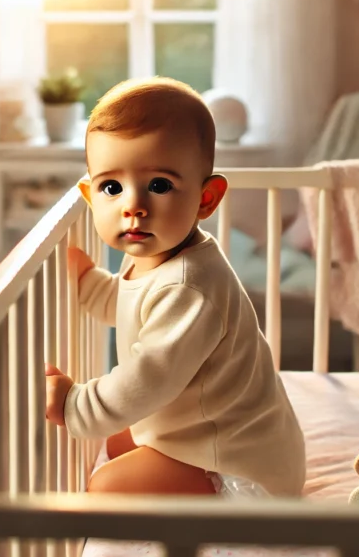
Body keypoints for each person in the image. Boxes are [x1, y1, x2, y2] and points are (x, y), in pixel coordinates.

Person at [44, 76, 306, 498]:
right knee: (113, 442)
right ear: (90, 196)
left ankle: (214, 499)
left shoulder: (191, 287)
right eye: (112, 187)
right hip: (198, 427)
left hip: (237, 462)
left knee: (105, 487)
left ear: (206, 199)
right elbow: (134, 307)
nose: (134, 206)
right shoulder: (158, 254)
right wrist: (90, 285)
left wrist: (76, 403)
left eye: (160, 185)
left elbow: (148, 377)